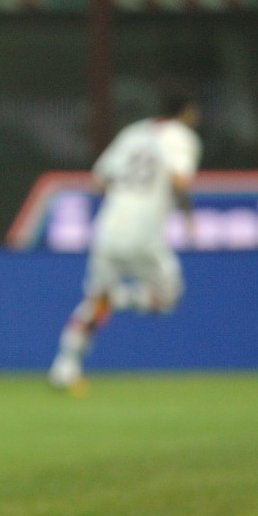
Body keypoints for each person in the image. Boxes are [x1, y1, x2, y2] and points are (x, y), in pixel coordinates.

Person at [48, 91, 202, 393]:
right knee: (168, 298)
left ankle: (64, 366)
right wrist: (187, 216)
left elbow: (99, 179)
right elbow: (180, 179)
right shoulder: (181, 137)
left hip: (108, 227)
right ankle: (118, 298)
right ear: (186, 111)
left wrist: (124, 199)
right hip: (143, 233)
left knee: (94, 300)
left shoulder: (134, 132)